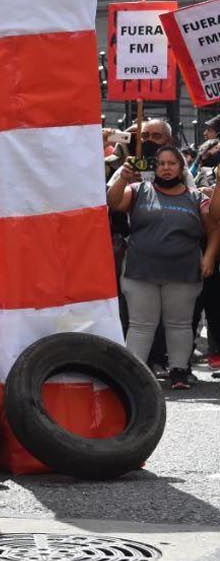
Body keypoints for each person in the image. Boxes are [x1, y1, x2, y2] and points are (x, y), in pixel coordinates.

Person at [108, 146, 219, 390]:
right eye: (161, 164)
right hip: (140, 271)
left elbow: (214, 224)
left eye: (172, 163)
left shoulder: (196, 196)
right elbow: (114, 203)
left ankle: (179, 371)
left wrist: (209, 257)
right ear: (153, 167)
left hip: (183, 272)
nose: (166, 168)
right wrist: (122, 178)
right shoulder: (137, 191)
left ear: (181, 168)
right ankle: (134, 375)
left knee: (179, 323)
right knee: (141, 324)